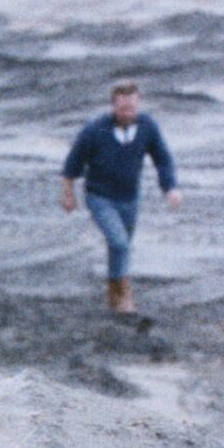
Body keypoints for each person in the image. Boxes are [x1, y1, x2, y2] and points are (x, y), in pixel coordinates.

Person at [61, 80, 181, 313]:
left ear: (139, 104)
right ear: (113, 106)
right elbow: (72, 163)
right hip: (100, 197)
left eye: (132, 109)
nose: (128, 114)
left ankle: (113, 293)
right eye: (123, 109)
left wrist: (170, 188)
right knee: (119, 243)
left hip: (130, 198)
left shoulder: (147, 126)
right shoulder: (96, 129)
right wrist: (68, 194)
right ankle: (123, 295)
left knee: (121, 247)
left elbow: (163, 159)